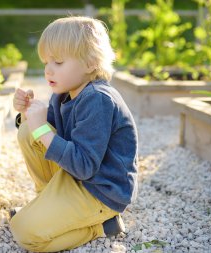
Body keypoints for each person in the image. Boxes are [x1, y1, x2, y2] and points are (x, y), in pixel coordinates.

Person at [10, 16, 138, 252]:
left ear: (90, 63)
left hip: (100, 190)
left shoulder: (98, 99)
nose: (48, 69)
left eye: (58, 61)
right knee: (28, 130)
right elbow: (44, 130)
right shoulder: (64, 93)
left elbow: (84, 166)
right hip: (77, 177)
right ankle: (47, 203)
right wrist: (27, 112)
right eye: (46, 61)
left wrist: (40, 128)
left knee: (25, 233)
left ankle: (101, 227)